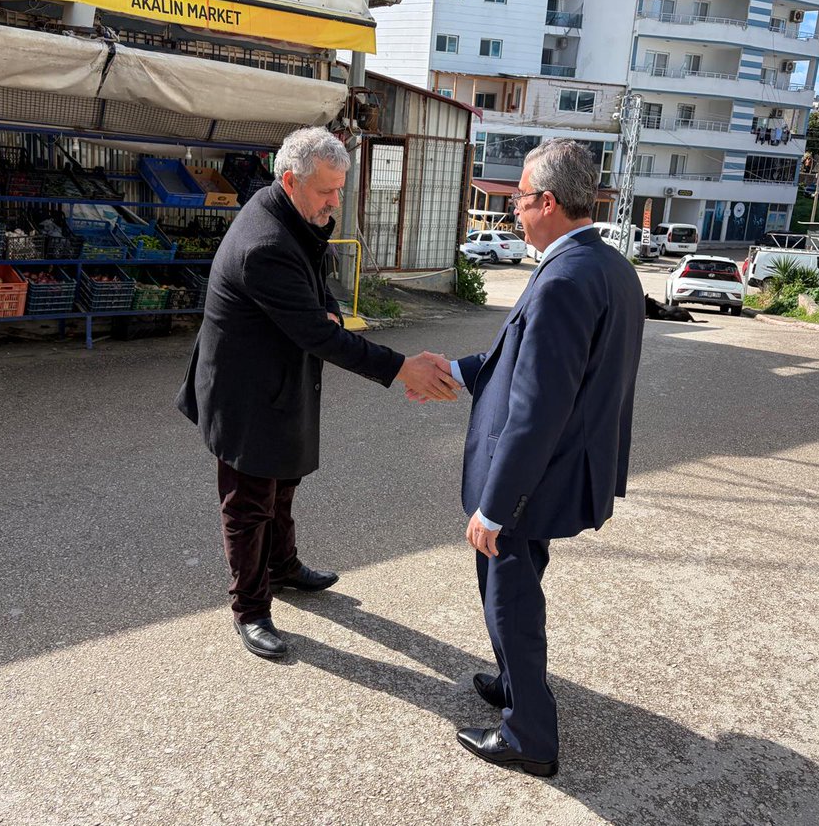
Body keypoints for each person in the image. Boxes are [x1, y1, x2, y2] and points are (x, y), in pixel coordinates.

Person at [177, 126, 460, 660]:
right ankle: (250, 608)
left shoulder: (291, 210)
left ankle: (282, 567)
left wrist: (325, 301)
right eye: (328, 190)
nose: (336, 202)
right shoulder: (264, 243)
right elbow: (318, 334)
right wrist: (402, 368)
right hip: (246, 391)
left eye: (340, 188)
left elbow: (316, 269)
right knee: (249, 501)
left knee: (283, 480)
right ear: (290, 180)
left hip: (278, 377)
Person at [447, 139, 644, 776]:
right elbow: (528, 364)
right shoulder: (608, 266)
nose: (515, 215)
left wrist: (495, 507)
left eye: (521, 202)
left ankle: (529, 734)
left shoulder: (562, 279)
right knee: (519, 585)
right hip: (566, 467)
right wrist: (452, 370)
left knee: (510, 598)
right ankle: (512, 682)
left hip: (533, 477)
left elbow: (536, 409)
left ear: (549, 202)